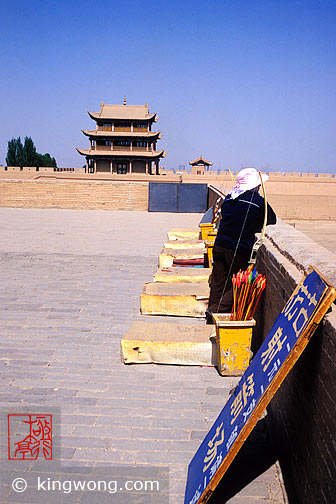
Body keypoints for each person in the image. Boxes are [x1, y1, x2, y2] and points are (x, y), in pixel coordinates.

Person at [206, 167, 277, 323]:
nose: (259, 187)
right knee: (240, 284)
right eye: (258, 185)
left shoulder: (230, 197)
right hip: (238, 250)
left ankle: (211, 316)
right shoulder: (258, 201)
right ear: (254, 186)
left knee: (218, 282)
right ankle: (217, 310)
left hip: (220, 245)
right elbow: (272, 219)